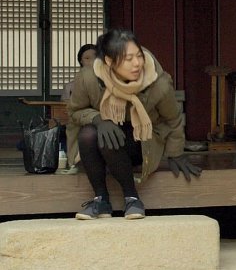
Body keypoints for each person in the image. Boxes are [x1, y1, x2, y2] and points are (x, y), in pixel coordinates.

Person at [67, 29, 201, 220]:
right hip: (104, 136)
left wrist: (175, 152)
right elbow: (74, 112)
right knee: (89, 134)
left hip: (142, 140)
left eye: (138, 55)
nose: (137, 63)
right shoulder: (88, 77)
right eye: (128, 59)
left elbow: (173, 118)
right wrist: (98, 119)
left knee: (108, 138)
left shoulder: (157, 83)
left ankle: (132, 198)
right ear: (109, 61)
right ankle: (101, 200)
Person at [57, 44, 97, 175]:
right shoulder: (71, 86)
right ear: (81, 61)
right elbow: (67, 107)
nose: (91, 61)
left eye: (95, 57)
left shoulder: (105, 79)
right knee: (73, 125)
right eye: (87, 58)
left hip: (100, 115)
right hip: (79, 115)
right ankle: (73, 161)